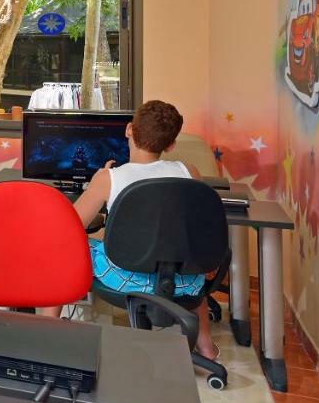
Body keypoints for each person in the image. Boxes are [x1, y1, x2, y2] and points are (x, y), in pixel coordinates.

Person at [54, 100, 218, 361]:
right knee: (188, 257)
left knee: (65, 247)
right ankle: (206, 345)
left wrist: (98, 186)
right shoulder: (189, 172)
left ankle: (50, 329)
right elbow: (201, 229)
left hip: (127, 278)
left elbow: (70, 226)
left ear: (129, 129)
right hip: (185, 281)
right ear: (171, 144)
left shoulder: (109, 178)